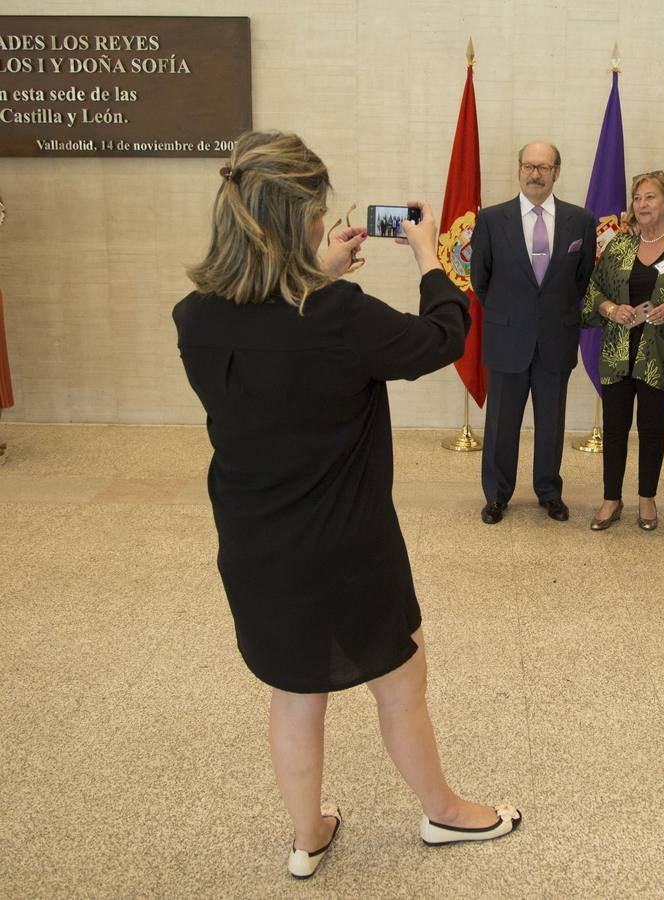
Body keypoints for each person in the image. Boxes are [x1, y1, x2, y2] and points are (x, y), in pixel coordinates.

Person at [173, 131, 520, 880]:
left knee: (295, 691)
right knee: (400, 679)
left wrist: (315, 273)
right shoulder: (336, 315)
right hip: (344, 544)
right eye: (322, 215)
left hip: (254, 543)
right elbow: (441, 338)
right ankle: (447, 812)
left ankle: (307, 836)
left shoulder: (195, 317)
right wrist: (429, 254)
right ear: (299, 219)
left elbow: (278, 345)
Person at [471, 140, 597, 524]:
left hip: (555, 339)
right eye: (529, 166)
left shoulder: (580, 221)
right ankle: (497, 495)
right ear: (519, 169)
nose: (535, 173)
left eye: (544, 167)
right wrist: (516, 312)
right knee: (500, 426)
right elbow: (481, 280)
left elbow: (582, 279)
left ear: (557, 172)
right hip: (507, 336)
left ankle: (549, 492)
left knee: (551, 423)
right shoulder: (492, 219)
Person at [582, 171, 664, 531]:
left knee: (651, 429)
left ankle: (647, 500)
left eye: (650, 198)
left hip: (658, 356)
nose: (642, 204)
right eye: (637, 198)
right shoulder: (620, 244)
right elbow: (592, 290)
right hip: (617, 353)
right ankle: (611, 499)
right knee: (614, 429)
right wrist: (611, 309)